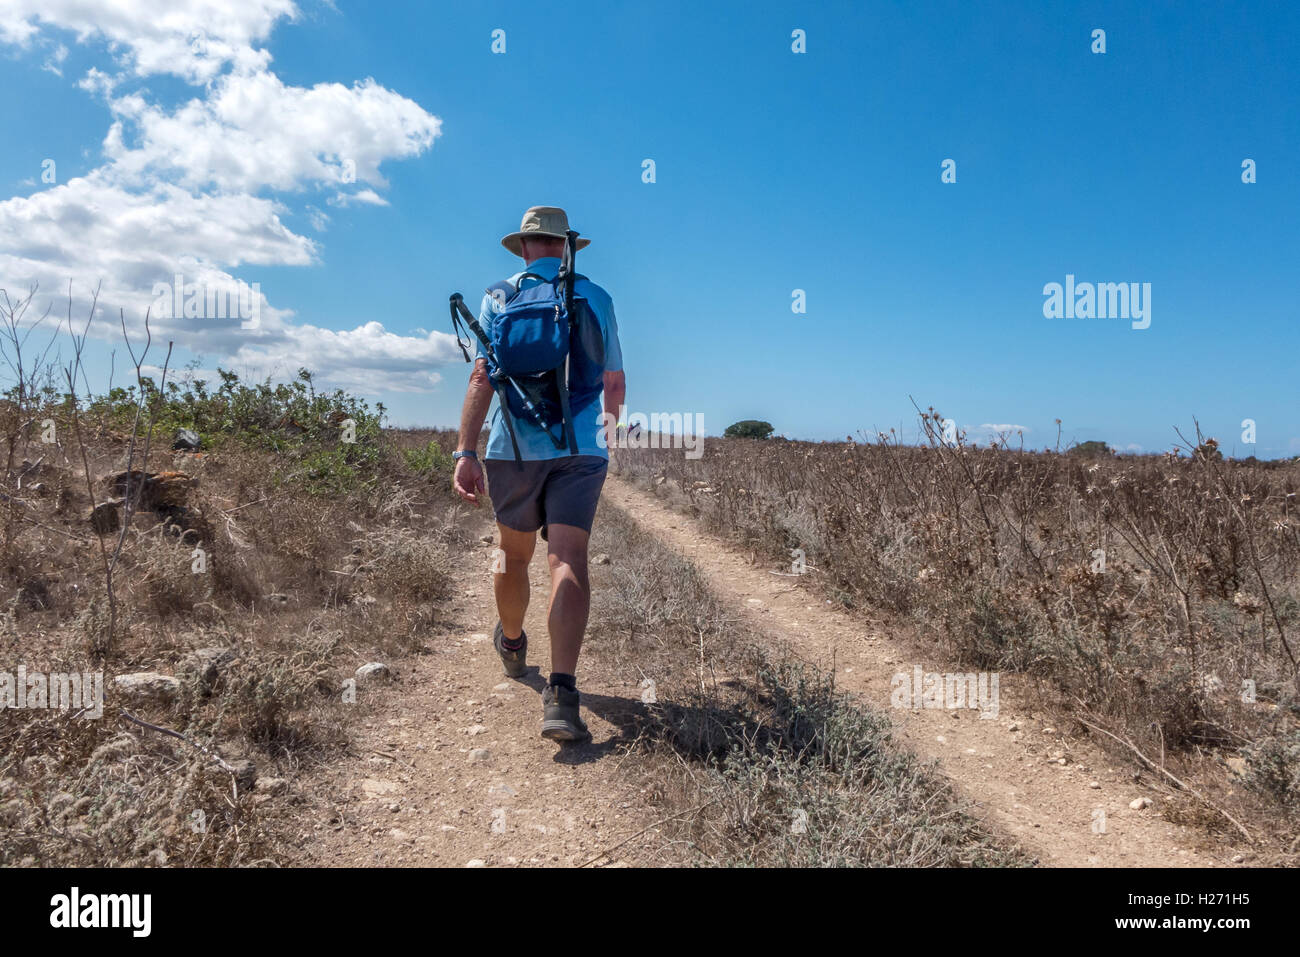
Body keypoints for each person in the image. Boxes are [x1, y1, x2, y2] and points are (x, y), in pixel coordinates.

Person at [452, 206, 626, 742]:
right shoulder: (596, 297)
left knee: (513, 554)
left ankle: (511, 642)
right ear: (567, 246)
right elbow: (614, 382)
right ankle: (563, 693)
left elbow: (482, 377)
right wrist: (605, 436)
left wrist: (466, 450)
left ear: (525, 247)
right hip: (581, 450)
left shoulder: (499, 297)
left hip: (513, 448)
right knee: (568, 559)